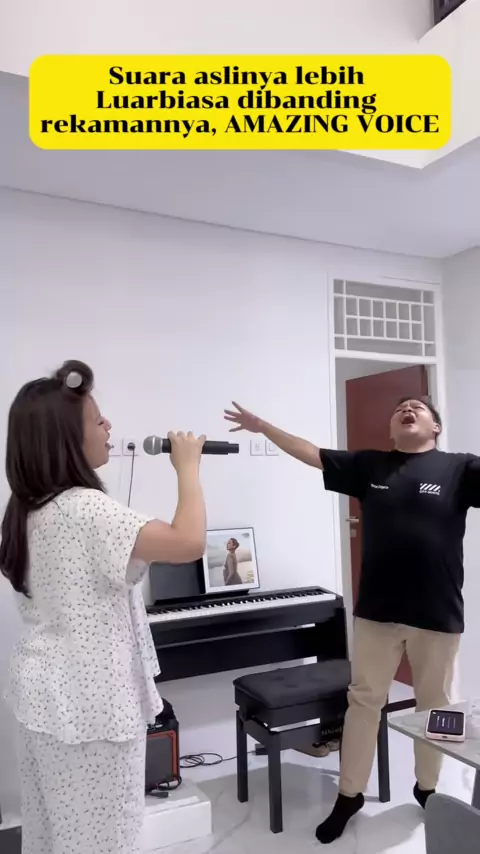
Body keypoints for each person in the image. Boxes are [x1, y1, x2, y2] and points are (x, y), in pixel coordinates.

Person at [224, 396, 480, 845]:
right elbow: (312, 453)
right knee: (363, 702)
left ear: (436, 427)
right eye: (400, 408)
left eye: (418, 408)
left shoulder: (460, 468)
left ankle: (427, 787)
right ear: (391, 430)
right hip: (377, 614)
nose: (408, 409)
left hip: (438, 613)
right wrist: (263, 426)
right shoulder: (370, 466)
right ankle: (349, 795)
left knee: (435, 706)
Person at [0, 360, 206, 854]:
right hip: (91, 711)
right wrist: (188, 467)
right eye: (97, 419)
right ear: (67, 439)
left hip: (43, 699)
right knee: (103, 841)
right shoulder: (86, 508)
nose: (108, 425)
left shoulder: (26, 506)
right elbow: (190, 542)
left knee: (53, 836)